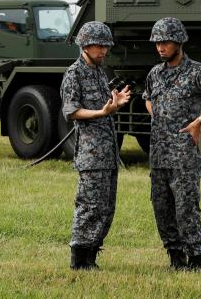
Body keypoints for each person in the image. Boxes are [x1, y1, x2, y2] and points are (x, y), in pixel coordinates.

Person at [143, 17, 201, 271]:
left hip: (183, 155)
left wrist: (200, 120)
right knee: (161, 208)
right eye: (157, 42)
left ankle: (195, 260)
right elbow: (147, 97)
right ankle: (175, 258)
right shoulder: (155, 73)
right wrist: (157, 115)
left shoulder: (196, 71)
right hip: (158, 154)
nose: (160, 47)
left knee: (186, 208)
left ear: (179, 42)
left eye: (166, 42)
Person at [60, 21, 131, 270]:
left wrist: (114, 103)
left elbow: (104, 108)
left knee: (106, 208)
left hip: (108, 153)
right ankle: (79, 259)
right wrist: (102, 112)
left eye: (106, 46)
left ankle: (91, 256)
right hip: (91, 155)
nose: (103, 51)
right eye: (99, 46)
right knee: (89, 206)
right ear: (85, 46)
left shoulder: (100, 72)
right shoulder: (74, 74)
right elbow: (71, 111)